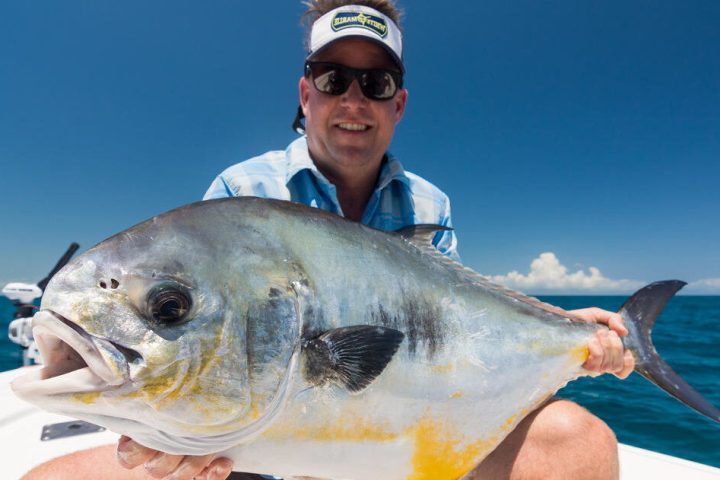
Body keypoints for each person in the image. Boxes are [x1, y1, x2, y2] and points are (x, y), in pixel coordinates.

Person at [23, 1, 633, 479]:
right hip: (246, 455)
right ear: (305, 92)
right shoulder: (241, 191)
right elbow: (215, 349)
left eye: (376, 82)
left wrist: (566, 335)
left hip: (382, 445)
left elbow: (452, 335)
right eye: (333, 76)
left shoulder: (429, 205)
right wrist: (165, 439)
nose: (353, 100)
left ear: (400, 103)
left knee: (578, 443)